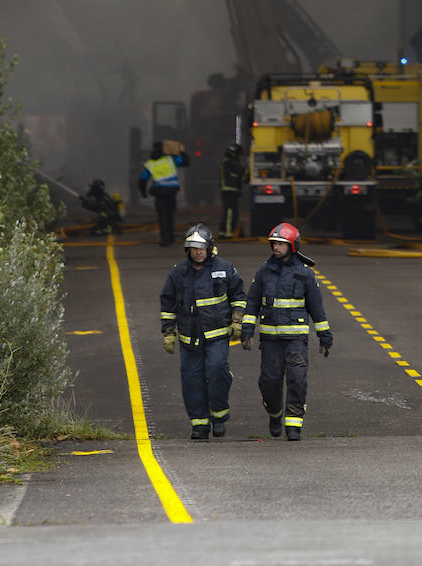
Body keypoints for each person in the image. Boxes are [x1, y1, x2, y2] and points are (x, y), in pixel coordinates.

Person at [240, 221, 332, 441]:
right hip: (271, 340)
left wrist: (324, 335)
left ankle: (293, 425)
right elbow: (252, 302)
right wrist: (247, 330)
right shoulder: (264, 271)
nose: (276, 248)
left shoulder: (305, 274)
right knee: (269, 382)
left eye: (281, 244)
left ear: (292, 245)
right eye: (274, 244)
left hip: (296, 340)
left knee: (297, 379)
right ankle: (275, 413)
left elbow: (316, 307)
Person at [159, 223, 246, 440]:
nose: (198, 252)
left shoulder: (225, 269)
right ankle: (199, 424)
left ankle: (218, 417)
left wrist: (237, 321)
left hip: (217, 335)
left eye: (201, 247)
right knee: (191, 380)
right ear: (187, 249)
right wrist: (168, 332)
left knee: (217, 371)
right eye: (193, 247)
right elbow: (168, 304)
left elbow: (239, 296)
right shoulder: (178, 273)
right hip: (190, 338)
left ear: (209, 247)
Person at [139, 140, 189, 246]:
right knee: (170, 215)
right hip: (171, 192)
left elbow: (142, 180)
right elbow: (186, 162)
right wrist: (182, 151)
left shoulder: (150, 163)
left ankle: (164, 240)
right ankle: (170, 238)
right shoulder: (171, 159)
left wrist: (143, 193)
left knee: (162, 216)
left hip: (159, 193)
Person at [218, 142, 247, 238]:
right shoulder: (229, 162)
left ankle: (223, 232)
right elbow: (240, 172)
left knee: (229, 211)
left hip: (230, 190)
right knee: (230, 212)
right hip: (229, 190)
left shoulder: (229, 162)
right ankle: (228, 233)